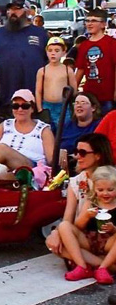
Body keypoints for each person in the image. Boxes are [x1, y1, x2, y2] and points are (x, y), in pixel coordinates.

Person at [47, 133, 114, 262]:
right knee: (54, 241)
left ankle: (90, 262)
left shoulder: (112, 178)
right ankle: (102, 265)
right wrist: (55, 233)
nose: (77, 156)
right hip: (85, 236)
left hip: (111, 237)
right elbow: (68, 217)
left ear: (98, 155)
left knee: (65, 246)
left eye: (82, 152)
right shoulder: (76, 182)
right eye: (76, 151)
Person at [0, 0, 49, 110]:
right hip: (7, 94)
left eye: (17, 9)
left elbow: (50, 61)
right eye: (10, 10)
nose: (12, 12)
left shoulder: (40, 34)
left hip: (36, 95)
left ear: (28, 11)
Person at [58, 165, 116, 284]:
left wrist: (113, 229)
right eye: (100, 190)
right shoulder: (91, 202)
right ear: (94, 189)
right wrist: (86, 216)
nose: (105, 194)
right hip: (89, 239)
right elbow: (78, 226)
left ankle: (102, 268)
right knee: (64, 227)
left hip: (109, 242)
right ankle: (82, 266)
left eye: (110, 190)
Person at [75, 8, 116, 116]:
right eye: (87, 21)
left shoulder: (111, 43)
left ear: (103, 24)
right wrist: (73, 90)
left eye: (93, 21)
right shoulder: (84, 45)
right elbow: (80, 69)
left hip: (107, 96)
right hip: (89, 96)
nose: (89, 24)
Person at [35, 36, 77, 130]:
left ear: (63, 52)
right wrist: (40, 109)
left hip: (63, 107)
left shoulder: (68, 70)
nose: (53, 53)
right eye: (50, 50)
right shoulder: (43, 71)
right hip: (47, 106)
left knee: (64, 130)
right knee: (47, 131)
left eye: (57, 51)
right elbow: (38, 91)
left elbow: (74, 90)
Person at [59, 92, 101, 170]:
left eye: (83, 103)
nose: (79, 105)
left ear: (93, 108)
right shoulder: (66, 126)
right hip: (64, 167)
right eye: (76, 103)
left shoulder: (99, 125)